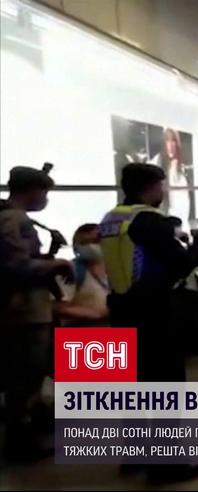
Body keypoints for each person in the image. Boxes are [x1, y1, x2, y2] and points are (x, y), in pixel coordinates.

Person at [99, 163, 198, 483]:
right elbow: (182, 264)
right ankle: (166, 466)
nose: (163, 192)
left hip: (120, 308)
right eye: (161, 186)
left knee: (132, 386)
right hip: (153, 311)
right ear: (150, 188)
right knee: (164, 386)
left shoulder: (111, 218)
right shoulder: (149, 221)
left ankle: (134, 455)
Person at [0, 166, 70, 462]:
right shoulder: (13, 219)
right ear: (31, 191)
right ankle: (19, 439)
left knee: (29, 371)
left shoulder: (14, 218)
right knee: (25, 373)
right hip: (23, 310)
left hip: (26, 308)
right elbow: (15, 265)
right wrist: (56, 265)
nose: (45, 198)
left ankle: (27, 427)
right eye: (44, 192)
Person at [55, 224, 109, 325]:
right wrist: (96, 314)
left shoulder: (118, 268)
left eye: (96, 241)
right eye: (84, 243)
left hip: (113, 331)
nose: (91, 246)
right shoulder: (69, 270)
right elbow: (57, 307)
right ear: (75, 247)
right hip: (79, 331)